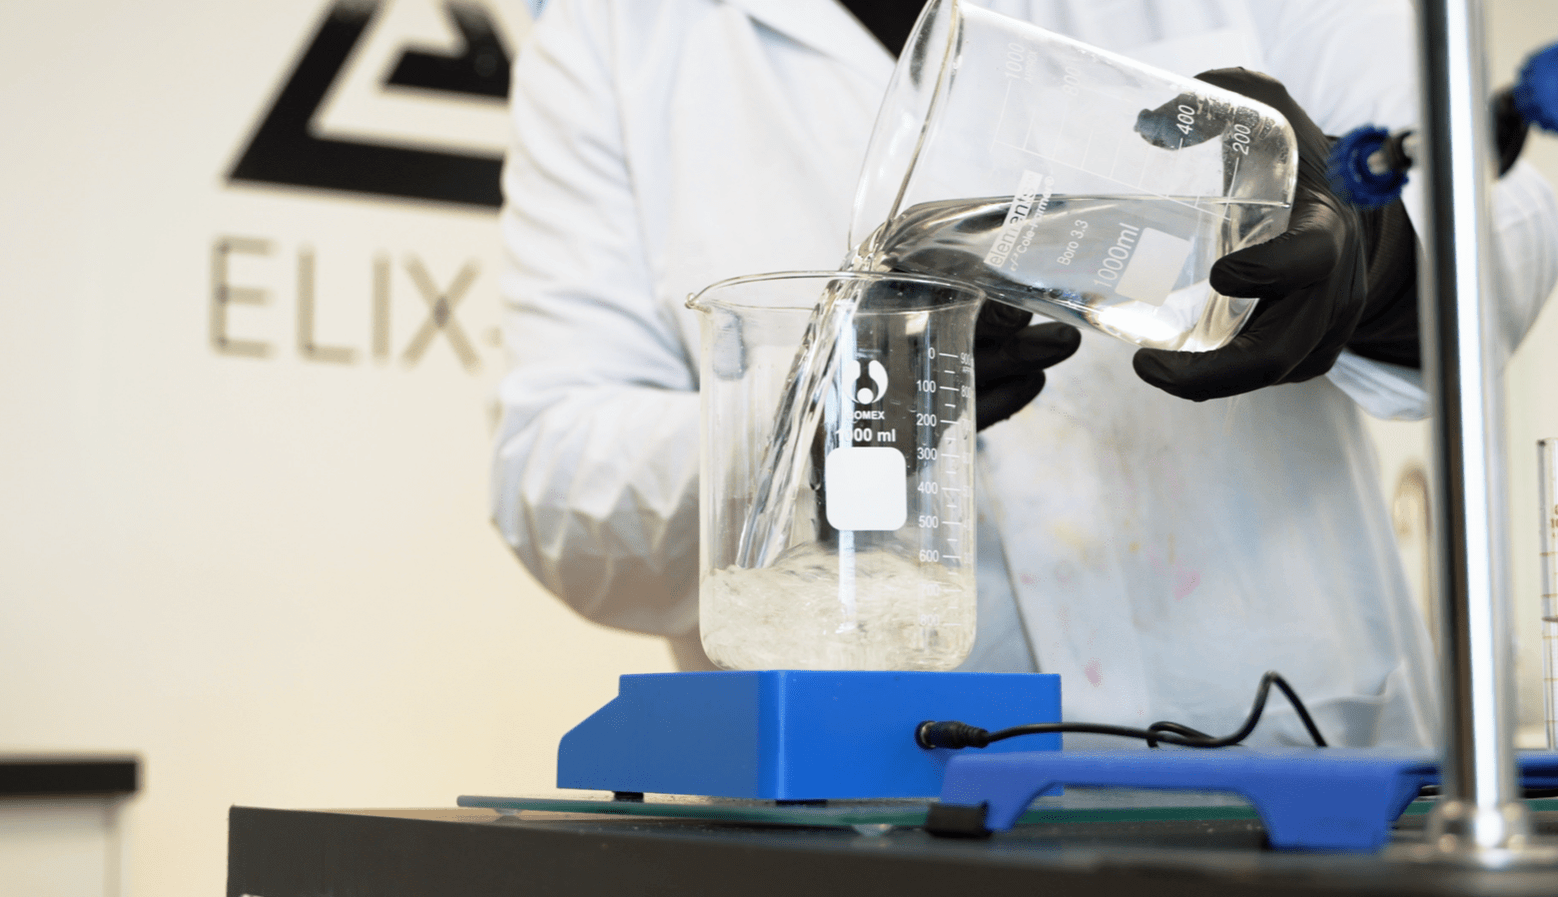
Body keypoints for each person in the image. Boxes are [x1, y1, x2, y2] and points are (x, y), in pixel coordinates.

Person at [489, 0, 1558, 748]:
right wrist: (813, 426)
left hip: (1296, 771)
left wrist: (1376, 257)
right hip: (875, 811)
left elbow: (1478, 221)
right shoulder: (612, 34)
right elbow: (555, 480)